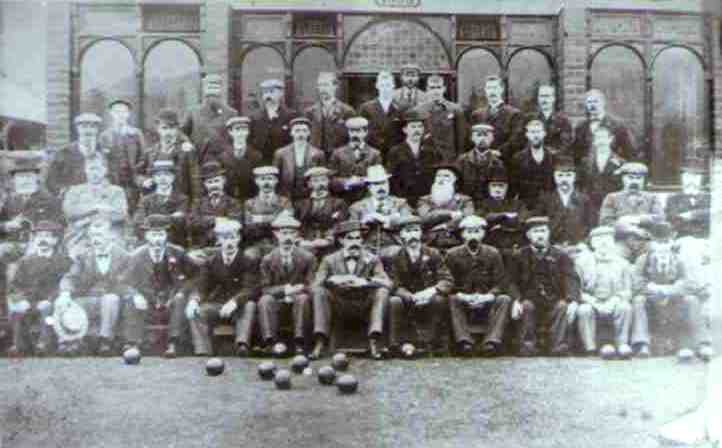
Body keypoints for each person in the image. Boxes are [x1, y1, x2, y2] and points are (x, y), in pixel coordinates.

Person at [311, 220, 393, 360]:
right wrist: (333, 280)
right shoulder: (329, 260)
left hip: (363, 304)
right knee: (319, 292)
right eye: (350, 238)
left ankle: (374, 340)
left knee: (382, 292)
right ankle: (320, 340)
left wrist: (366, 281)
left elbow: (387, 283)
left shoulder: (372, 259)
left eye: (358, 238)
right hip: (339, 303)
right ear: (342, 240)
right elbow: (315, 284)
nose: (354, 242)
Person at [631, 222, 713, 360]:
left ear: (672, 242)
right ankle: (642, 343)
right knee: (638, 301)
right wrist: (653, 288)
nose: (662, 246)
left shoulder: (680, 260)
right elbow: (636, 284)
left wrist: (671, 289)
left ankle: (702, 344)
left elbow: (689, 283)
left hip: (674, 300)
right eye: (658, 242)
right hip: (651, 301)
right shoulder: (642, 260)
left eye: (666, 242)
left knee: (691, 300)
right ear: (651, 243)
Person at [121, 214, 199, 358]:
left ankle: (173, 343)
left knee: (180, 299)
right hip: (147, 305)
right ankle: (133, 343)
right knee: (132, 300)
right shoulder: (137, 256)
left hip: (170, 303)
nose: (157, 239)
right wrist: (135, 295)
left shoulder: (178, 253)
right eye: (153, 234)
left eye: (161, 234)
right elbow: (125, 283)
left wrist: (183, 292)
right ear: (146, 236)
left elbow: (194, 276)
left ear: (166, 236)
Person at [507, 216, 580, 356]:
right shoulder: (519, 255)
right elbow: (511, 281)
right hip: (529, 299)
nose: (540, 235)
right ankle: (527, 345)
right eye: (535, 231)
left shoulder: (561, 256)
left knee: (562, 306)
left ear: (549, 233)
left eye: (543, 231)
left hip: (553, 299)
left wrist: (573, 300)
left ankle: (558, 346)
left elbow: (572, 279)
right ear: (528, 235)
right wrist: (515, 300)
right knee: (526, 306)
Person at [57, 217, 130, 356]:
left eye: (100, 235)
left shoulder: (124, 256)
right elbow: (70, 277)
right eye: (92, 236)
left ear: (111, 236)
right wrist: (65, 293)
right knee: (67, 302)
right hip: (88, 298)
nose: (95, 239)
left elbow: (127, 282)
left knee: (110, 299)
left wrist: (114, 292)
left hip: (113, 299)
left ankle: (105, 341)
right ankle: (70, 341)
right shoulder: (83, 256)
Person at [185, 219, 257, 357]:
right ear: (218, 240)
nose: (229, 242)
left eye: (232, 237)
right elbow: (201, 285)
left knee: (250, 305)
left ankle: (242, 345)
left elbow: (250, 288)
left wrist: (234, 302)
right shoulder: (211, 261)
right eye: (224, 238)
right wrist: (194, 300)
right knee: (197, 311)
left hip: (239, 307)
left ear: (238, 238)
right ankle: (203, 351)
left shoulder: (248, 261)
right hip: (217, 305)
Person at [445, 215, 512, 357]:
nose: (472, 236)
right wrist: (462, 296)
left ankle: (491, 342)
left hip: (486, 298)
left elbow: (500, 282)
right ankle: (464, 342)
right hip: (463, 299)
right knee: (451, 299)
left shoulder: (493, 253)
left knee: (504, 299)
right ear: (462, 234)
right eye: (469, 232)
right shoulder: (452, 254)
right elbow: (448, 281)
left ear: (483, 233)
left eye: (476, 231)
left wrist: (488, 296)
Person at [387, 215, 453, 357]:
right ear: (401, 235)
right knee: (394, 301)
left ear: (421, 233)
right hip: (406, 299)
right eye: (408, 231)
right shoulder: (395, 256)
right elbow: (394, 284)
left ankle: (428, 343)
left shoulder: (433, 253)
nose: (413, 235)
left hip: (429, 297)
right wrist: (410, 297)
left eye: (416, 230)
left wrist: (431, 291)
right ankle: (395, 344)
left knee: (439, 300)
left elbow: (447, 279)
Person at [6, 221, 72, 357]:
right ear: (35, 239)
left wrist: (50, 300)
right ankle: (18, 345)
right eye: (39, 236)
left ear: (55, 240)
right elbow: (15, 285)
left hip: (52, 301)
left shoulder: (63, 261)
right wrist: (21, 299)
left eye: (47, 236)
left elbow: (65, 284)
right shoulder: (26, 261)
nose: (43, 240)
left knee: (46, 310)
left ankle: (44, 344)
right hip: (29, 301)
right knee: (18, 309)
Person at [257, 215, 317, 356]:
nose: (288, 237)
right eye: (284, 233)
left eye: (292, 233)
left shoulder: (308, 257)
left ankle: (299, 343)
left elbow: (311, 283)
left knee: (302, 299)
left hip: (299, 298)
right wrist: (285, 290)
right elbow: (265, 288)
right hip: (277, 298)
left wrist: (298, 289)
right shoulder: (268, 259)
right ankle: (269, 342)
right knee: (265, 300)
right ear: (276, 235)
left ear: (297, 235)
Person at [575, 226, 635, 358]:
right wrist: (595, 302)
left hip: (614, 301)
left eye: (607, 239)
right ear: (592, 243)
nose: (604, 243)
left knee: (625, 307)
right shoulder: (581, 263)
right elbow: (577, 290)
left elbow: (628, 290)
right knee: (584, 310)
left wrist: (614, 300)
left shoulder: (623, 263)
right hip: (592, 302)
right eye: (599, 240)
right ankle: (590, 348)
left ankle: (622, 345)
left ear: (613, 243)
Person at [62, 156, 128, 259]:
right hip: (80, 235)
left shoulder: (116, 191)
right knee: (76, 255)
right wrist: (96, 207)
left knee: (117, 254)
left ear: (105, 170)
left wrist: (86, 218)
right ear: (85, 170)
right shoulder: (74, 191)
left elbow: (120, 214)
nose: (94, 173)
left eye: (98, 168)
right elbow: (69, 211)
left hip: (109, 234)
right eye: (91, 168)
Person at [136, 108, 201, 204]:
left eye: (172, 128)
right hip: (156, 204)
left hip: (180, 205)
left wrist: (194, 206)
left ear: (177, 129)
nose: (168, 132)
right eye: (164, 128)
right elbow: (137, 173)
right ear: (158, 129)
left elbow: (195, 183)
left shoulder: (186, 151)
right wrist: (143, 181)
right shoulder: (150, 153)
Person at [385, 109, 444, 208]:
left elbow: (438, 174)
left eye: (420, 126)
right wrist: (399, 199)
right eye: (413, 127)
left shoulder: (432, 151)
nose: (417, 130)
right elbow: (392, 178)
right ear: (405, 130)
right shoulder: (395, 151)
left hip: (427, 200)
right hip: (404, 199)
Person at [349, 165, 413, 255]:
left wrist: (385, 219)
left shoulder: (401, 204)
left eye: (383, 183)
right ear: (369, 187)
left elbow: (409, 224)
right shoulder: (357, 207)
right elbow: (351, 233)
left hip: (395, 248)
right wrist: (363, 222)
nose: (380, 188)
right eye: (376, 184)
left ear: (388, 184)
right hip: (365, 250)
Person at [476, 164, 529, 268]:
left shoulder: (517, 204)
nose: (497, 189)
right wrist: (504, 215)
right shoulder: (482, 204)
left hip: (513, 244)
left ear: (507, 188)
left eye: (501, 186)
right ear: (488, 187)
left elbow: (523, 219)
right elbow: (482, 219)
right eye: (494, 186)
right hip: (490, 245)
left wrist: (499, 225)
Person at [46, 113, 111, 196]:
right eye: (84, 126)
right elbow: (51, 182)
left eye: (92, 126)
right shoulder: (64, 154)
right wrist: (67, 192)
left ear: (97, 129)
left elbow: (113, 178)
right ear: (77, 128)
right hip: (73, 201)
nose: (88, 130)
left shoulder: (106, 153)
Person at [535, 156, 594, 248]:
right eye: (560, 175)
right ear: (554, 177)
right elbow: (539, 226)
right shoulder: (545, 200)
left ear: (574, 177)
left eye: (568, 175)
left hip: (578, 247)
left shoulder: (584, 200)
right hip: (552, 247)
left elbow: (590, 226)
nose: (564, 180)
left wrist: (582, 244)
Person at [416, 163, 474, 252]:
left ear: (455, 180)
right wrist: (451, 214)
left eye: (446, 176)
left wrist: (445, 226)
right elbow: (425, 218)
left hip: (456, 242)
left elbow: (468, 218)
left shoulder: (465, 200)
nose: (441, 179)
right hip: (430, 243)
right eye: (438, 176)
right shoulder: (424, 200)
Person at [99, 98, 144, 212]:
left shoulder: (136, 134)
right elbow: (102, 160)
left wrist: (139, 176)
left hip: (132, 182)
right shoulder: (105, 136)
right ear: (111, 114)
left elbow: (143, 157)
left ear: (128, 114)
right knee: (114, 210)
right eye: (117, 112)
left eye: (123, 112)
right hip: (112, 181)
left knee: (133, 209)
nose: (120, 115)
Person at [133, 160, 190, 247]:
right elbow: (138, 222)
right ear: (154, 178)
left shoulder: (182, 199)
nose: (163, 179)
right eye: (158, 175)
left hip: (174, 242)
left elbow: (180, 222)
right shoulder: (146, 200)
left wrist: (151, 219)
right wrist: (170, 218)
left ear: (173, 177)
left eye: (167, 175)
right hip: (150, 242)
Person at [204, 116, 263, 201]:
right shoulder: (222, 157)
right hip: (229, 201)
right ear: (230, 132)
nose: (240, 133)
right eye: (237, 129)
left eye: (244, 129)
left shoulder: (256, 156)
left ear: (248, 132)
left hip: (250, 199)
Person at [242, 166, 294, 261]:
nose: (266, 183)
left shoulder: (284, 202)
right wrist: (275, 218)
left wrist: (258, 219)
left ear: (276, 181)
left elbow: (287, 223)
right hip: (256, 244)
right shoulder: (249, 203)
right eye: (262, 179)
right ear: (256, 181)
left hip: (278, 244)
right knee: (248, 256)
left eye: (270, 179)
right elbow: (248, 227)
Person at [328, 116, 384, 204]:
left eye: (358, 131)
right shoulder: (337, 153)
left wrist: (361, 180)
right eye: (352, 131)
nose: (354, 135)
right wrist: (346, 182)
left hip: (367, 199)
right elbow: (331, 179)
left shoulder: (375, 154)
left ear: (365, 132)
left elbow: (378, 179)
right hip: (343, 199)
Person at [295, 167, 349, 257]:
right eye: (315, 181)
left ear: (328, 182)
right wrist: (300, 240)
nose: (320, 184)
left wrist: (328, 239)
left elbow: (340, 224)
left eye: (323, 180)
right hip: (305, 243)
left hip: (330, 245)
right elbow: (296, 224)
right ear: (309, 184)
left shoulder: (338, 203)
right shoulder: (300, 204)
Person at [470, 75, 525, 164]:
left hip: (505, 162)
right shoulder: (477, 115)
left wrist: (499, 152)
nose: (492, 91)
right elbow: (472, 139)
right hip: (481, 162)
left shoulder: (514, 114)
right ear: (485, 91)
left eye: (495, 88)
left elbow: (516, 140)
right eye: (489, 88)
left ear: (501, 89)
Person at [181, 73, 238, 160]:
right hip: (199, 160)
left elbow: (236, 139)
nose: (212, 97)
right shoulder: (193, 112)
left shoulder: (231, 113)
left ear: (221, 91)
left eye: (216, 89)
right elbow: (182, 132)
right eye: (209, 90)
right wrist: (186, 143)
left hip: (223, 163)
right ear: (204, 91)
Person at [577, 126, 626, 225]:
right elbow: (580, 185)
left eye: (603, 137)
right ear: (594, 141)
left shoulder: (620, 163)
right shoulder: (586, 163)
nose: (601, 141)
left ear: (610, 139)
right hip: (591, 207)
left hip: (613, 207)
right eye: (598, 138)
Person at [412, 74, 467, 162]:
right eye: (432, 88)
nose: (435, 91)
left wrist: (458, 157)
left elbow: (461, 138)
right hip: (425, 158)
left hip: (449, 158)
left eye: (438, 87)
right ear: (427, 89)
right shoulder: (418, 111)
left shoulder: (455, 109)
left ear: (444, 89)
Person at [189, 161, 243, 249]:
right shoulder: (198, 203)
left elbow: (236, 223)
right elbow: (192, 223)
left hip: (227, 246)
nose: (214, 185)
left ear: (224, 181)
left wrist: (205, 220)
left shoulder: (233, 202)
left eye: (217, 181)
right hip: (202, 246)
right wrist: (216, 220)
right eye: (210, 182)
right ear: (204, 184)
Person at [572, 89, 636, 163]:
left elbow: (629, 151)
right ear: (586, 105)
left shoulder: (617, 125)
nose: (592, 105)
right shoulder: (581, 127)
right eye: (589, 102)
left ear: (603, 103)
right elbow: (576, 154)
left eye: (596, 101)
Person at [273, 117, 326, 201]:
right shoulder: (281, 153)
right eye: (297, 130)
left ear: (309, 133)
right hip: (286, 197)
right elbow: (275, 178)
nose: (301, 134)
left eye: (304, 131)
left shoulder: (318, 154)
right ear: (291, 133)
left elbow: (322, 178)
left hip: (309, 197)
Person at [305, 72, 356, 157]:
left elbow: (353, 137)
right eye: (320, 85)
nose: (322, 89)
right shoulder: (310, 112)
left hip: (339, 158)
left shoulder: (347, 111)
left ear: (335, 86)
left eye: (326, 85)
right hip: (316, 158)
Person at [509, 119, 558, 208]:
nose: (535, 135)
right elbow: (514, 187)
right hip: (526, 206)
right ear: (527, 135)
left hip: (550, 205)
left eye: (538, 132)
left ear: (544, 134)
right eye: (532, 132)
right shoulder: (518, 158)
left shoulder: (554, 157)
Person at [598, 162, 664, 227]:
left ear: (644, 180)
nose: (634, 181)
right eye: (630, 178)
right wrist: (624, 223)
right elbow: (604, 221)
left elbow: (660, 219)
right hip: (619, 235)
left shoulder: (652, 198)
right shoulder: (612, 198)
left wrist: (638, 220)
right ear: (622, 179)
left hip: (645, 235)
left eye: (639, 178)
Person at [249, 79, 297, 165]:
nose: (268, 96)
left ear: (281, 93)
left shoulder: (291, 116)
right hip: (261, 163)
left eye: (271, 92)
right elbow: (250, 142)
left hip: (284, 162)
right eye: (265, 92)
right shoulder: (254, 118)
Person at [358, 70, 403, 156]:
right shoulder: (366, 108)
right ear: (377, 86)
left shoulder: (401, 108)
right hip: (373, 152)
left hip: (395, 153)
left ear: (393, 86)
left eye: (388, 85)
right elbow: (362, 131)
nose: (385, 88)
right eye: (382, 85)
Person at [456, 122, 504, 202]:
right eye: (478, 135)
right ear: (472, 138)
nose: (482, 139)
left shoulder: (498, 162)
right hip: (466, 202)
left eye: (486, 136)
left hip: (489, 203)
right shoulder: (462, 160)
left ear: (492, 138)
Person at [666, 158, 710, 240]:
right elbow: (675, 220)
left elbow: (715, 216)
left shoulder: (711, 198)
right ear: (681, 178)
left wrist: (692, 215)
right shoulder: (672, 199)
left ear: (702, 178)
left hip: (708, 240)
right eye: (687, 176)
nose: (691, 181)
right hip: (682, 240)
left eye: (696, 176)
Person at [524, 84, 573, 154]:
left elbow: (565, 145)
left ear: (553, 98)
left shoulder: (563, 121)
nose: (544, 100)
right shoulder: (529, 119)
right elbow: (523, 142)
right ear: (538, 99)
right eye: (541, 96)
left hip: (556, 160)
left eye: (547, 96)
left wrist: (546, 154)